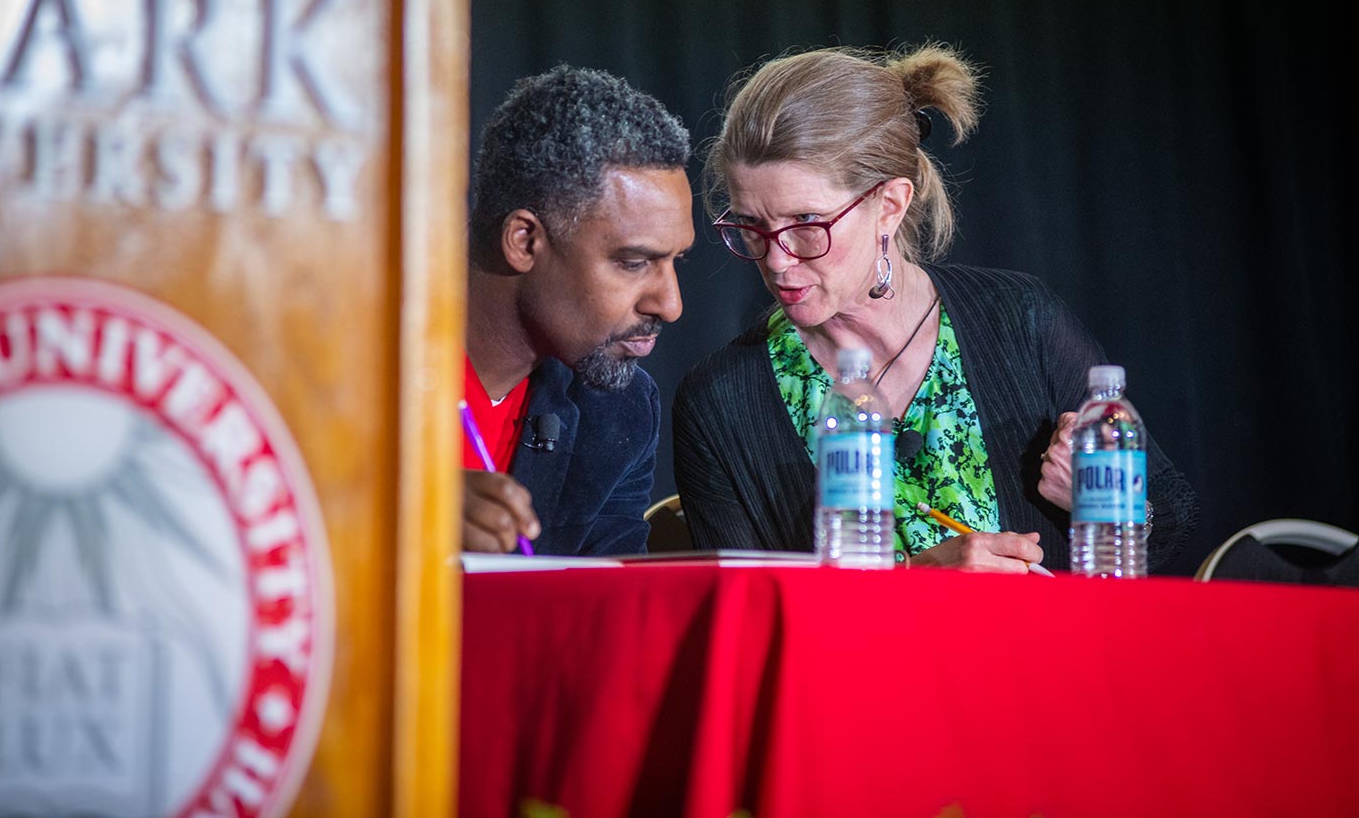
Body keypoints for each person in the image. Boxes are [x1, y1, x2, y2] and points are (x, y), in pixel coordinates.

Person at [673, 45, 1196, 572]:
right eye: (751, 227)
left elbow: (1170, 517)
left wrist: (1099, 504)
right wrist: (919, 582)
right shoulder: (720, 400)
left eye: (808, 223)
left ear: (890, 205)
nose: (779, 260)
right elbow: (746, 614)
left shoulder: (1017, 319)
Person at [463, 65, 695, 556]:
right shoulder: (343, 375)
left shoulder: (620, 411)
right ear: (524, 240)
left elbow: (605, 607)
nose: (670, 305)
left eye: (676, 261)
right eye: (634, 263)